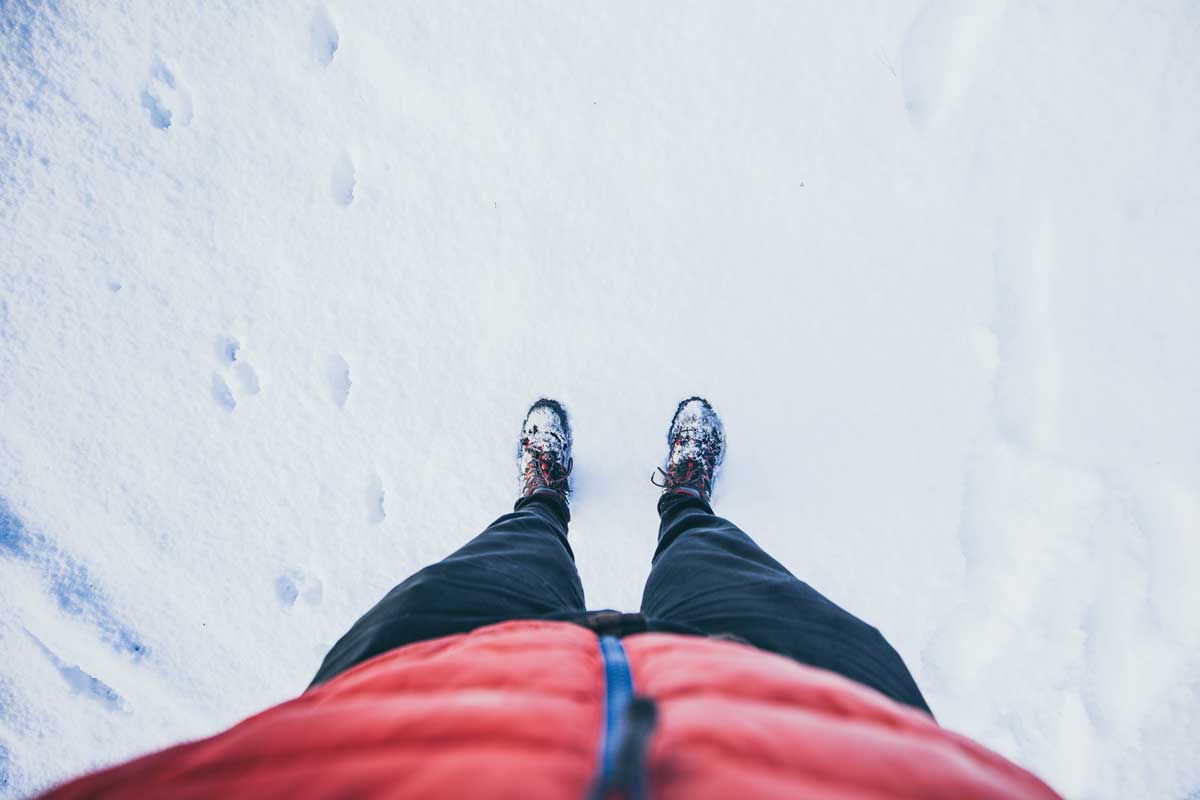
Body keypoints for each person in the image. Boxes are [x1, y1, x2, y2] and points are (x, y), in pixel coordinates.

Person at [41, 398, 1059, 799]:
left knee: (501, 567)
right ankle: (683, 510)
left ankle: (554, 511)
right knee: (719, 575)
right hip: (812, 718)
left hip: (405, 707)